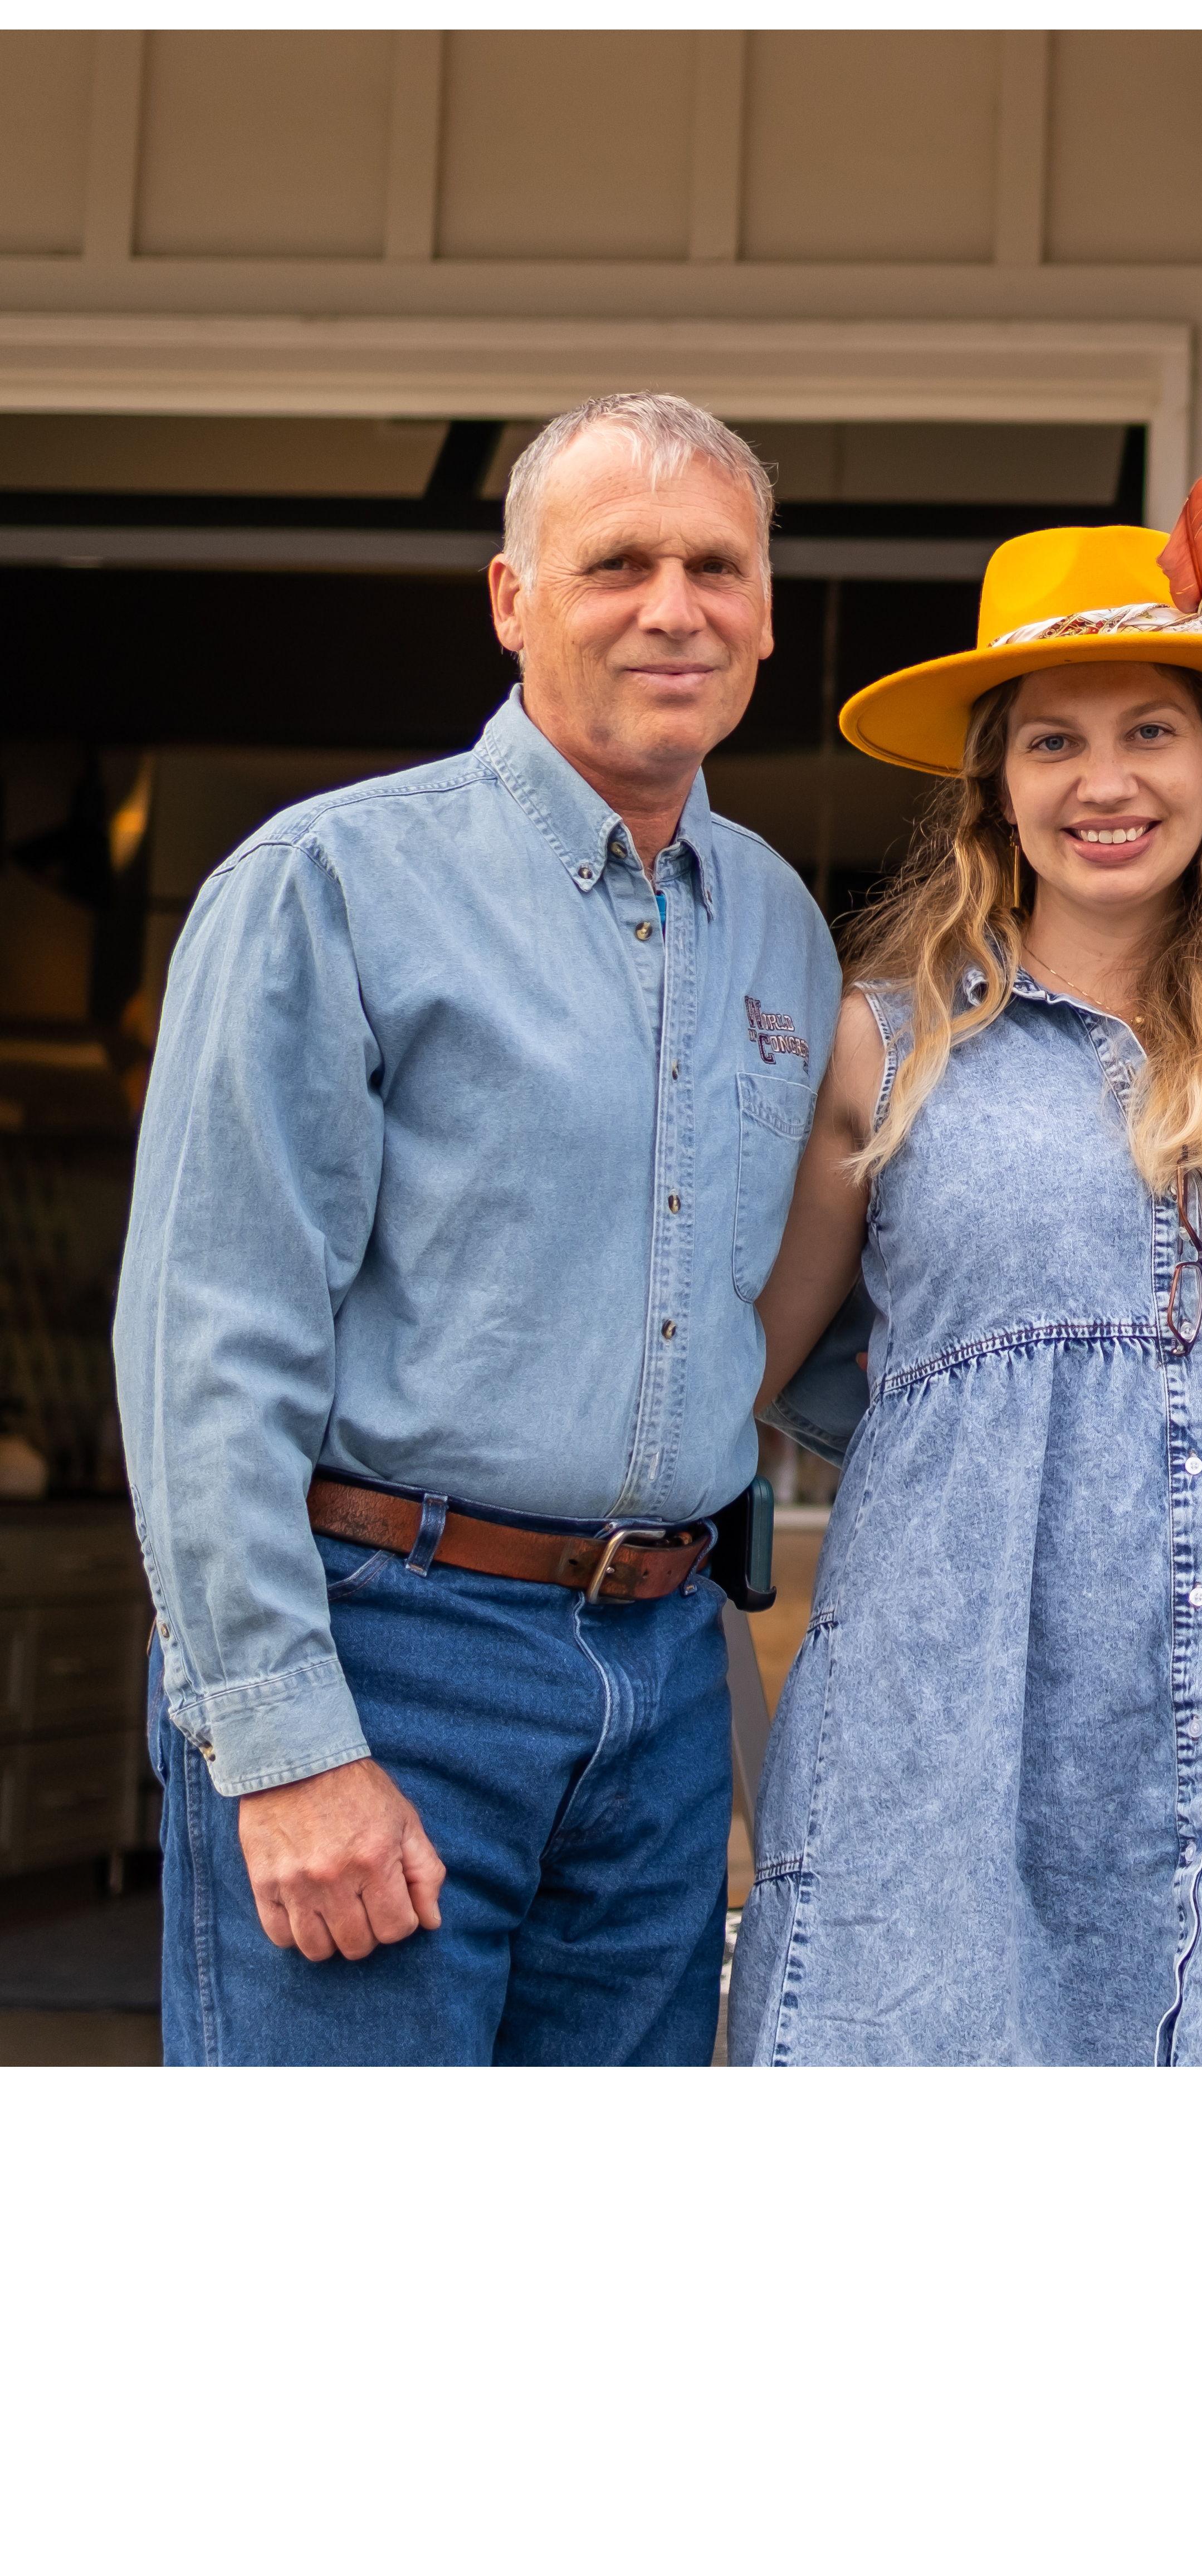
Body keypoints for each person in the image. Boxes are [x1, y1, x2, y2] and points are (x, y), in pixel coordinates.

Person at [118, 392, 832, 2065]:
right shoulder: (331, 886)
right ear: (513, 601)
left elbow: (831, 1315)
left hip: (663, 1687)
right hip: (389, 1657)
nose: (677, 607)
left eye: (717, 566)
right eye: (619, 565)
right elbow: (206, 1344)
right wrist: (288, 1750)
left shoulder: (786, 933)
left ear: (769, 612)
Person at [730, 481, 1202, 2065]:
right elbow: (730, 1380)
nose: (1107, 782)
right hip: (940, 1768)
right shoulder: (884, 1051)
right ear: (994, 795)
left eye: (1151, 731)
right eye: (1053, 741)